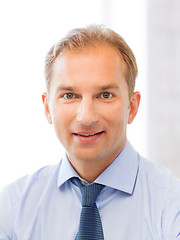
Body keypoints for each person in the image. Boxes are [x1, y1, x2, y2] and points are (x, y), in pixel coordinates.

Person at [0, 24, 180, 240]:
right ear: (48, 108)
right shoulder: (11, 208)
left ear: (132, 107)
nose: (86, 117)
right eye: (69, 95)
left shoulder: (171, 206)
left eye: (105, 95)